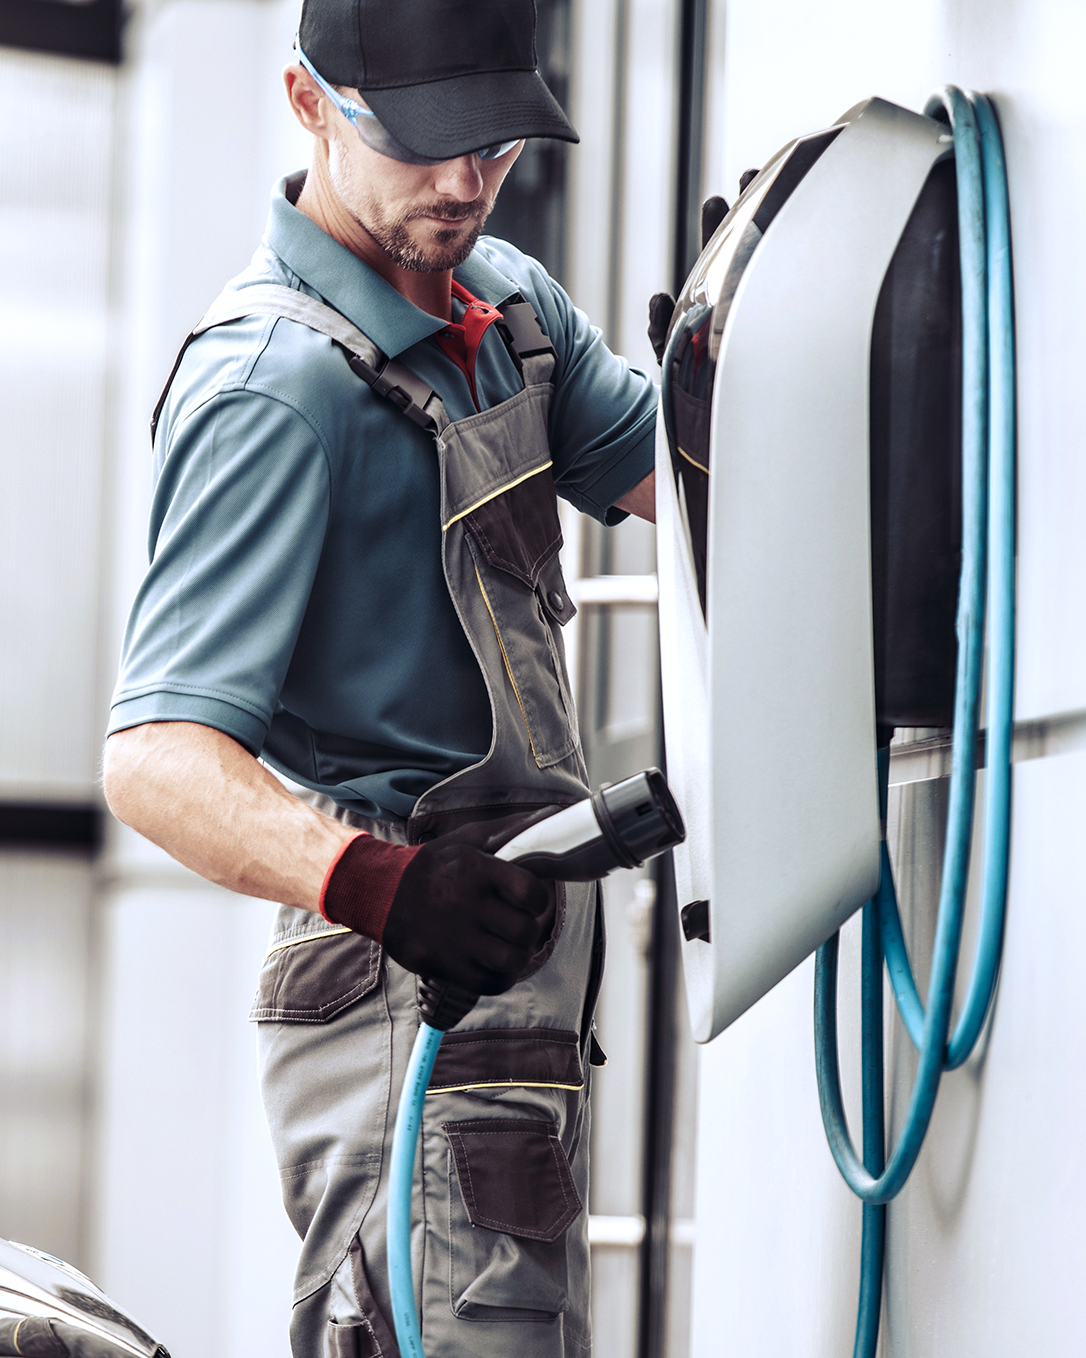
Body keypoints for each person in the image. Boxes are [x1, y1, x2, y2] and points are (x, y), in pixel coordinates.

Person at [103, 1, 658, 1354]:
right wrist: (382, 886)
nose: (466, 182)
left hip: (514, 974)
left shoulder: (511, 313)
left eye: (495, 141)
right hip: (397, 972)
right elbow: (155, 757)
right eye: (423, 145)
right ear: (305, 100)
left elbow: (689, 487)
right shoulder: (272, 386)